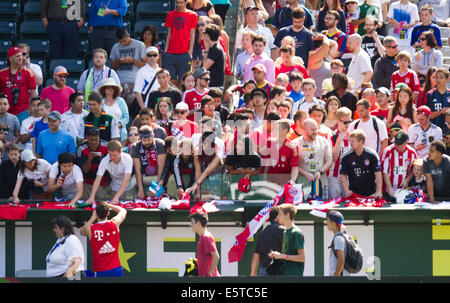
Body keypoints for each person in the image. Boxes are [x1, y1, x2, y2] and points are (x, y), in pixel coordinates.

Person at [80, 201, 127, 277]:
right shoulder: (114, 223)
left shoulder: (91, 229)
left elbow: (82, 232)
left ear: (96, 214)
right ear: (108, 213)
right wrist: (109, 205)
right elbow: (123, 210)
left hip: (100, 271)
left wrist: (92, 218)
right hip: (116, 269)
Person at [164, 0, 197, 87]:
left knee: (183, 81)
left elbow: (192, 34)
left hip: (184, 53)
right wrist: (166, 49)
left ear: (186, 2)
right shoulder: (170, 14)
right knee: (171, 80)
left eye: (181, 2)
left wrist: (190, 51)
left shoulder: (192, 15)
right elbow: (169, 33)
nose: (179, 4)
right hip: (171, 52)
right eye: (177, 2)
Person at [340, 129, 383, 198]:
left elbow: (378, 173)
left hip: (371, 193)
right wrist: (347, 190)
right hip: (353, 194)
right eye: (350, 141)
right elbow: (342, 174)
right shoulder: (346, 157)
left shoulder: (372, 155)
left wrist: (379, 191)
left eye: (353, 141)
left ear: (361, 141)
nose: (350, 143)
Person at [291, 118, 332, 189]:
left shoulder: (324, 141)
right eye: (312, 129)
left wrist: (320, 172)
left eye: (316, 129)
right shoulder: (295, 143)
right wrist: (305, 173)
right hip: (302, 182)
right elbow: (293, 164)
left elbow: (329, 160)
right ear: (304, 129)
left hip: (321, 181)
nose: (315, 132)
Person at [110, 28, 147, 105]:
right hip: (120, 81)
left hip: (134, 81)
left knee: (133, 108)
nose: (123, 43)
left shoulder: (139, 45)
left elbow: (146, 66)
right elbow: (112, 68)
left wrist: (133, 61)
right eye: (120, 42)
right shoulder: (115, 47)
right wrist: (119, 62)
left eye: (124, 41)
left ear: (129, 36)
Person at [0, 47, 37, 124]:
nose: (20, 58)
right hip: (6, 112)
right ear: (10, 58)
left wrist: (30, 109)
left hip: (23, 111)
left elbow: (33, 94)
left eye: (21, 56)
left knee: (22, 134)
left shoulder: (28, 73)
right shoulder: (1, 73)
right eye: (17, 56)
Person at [267, 204, 305, 276]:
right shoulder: (285, 232)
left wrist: (282, 256)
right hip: (284, 275)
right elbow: (287, 254)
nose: (278, 217)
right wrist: (277, 256)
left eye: (280, 214)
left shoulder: (296, 232)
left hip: (294, 276)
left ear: (287, 215)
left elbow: (302, 257)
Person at [131, 125, 167, 199]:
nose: (147, 142)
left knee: (170, 179)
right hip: (143, 176)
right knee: (133, 181)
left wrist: (157, 187)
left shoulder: (160, 144)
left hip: (158, 176)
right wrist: (140, 189)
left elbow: (161, 167)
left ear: (153, 136)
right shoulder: (135, 146)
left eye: (149, 140)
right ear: (140, 138)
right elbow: (137, 170)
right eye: (144, 140)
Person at [381, 131, 418, 196]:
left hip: (404, 190)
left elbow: (415, 169)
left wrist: (407, 180)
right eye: (395, 143)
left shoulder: (412, 153)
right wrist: (390, 188)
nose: (396, 145)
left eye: (399, 144)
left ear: (406, 143)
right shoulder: (387, 152)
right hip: (388, 190)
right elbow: (384, 171)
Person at [76, 127, 109, 200]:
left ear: (99, 137)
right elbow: (84, 170)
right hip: (86, 184)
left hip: (102, 183)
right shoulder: (81, 148)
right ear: (87, 137)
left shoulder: (107, 145)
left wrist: (108, 180)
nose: (94, 142)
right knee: (85, 206)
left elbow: (111, 164)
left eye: (96, 139)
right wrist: (89, 159)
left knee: (101, 206)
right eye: (91, 139)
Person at [250, 207, 284, 276]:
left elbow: (256, 255)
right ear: (277, 217)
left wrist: (253, 274)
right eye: (284, 214)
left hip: (263, 271)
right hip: (278, 272)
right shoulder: (283, 230)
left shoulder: (263, 233)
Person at [328, 107, 352, 198]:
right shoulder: (332, 136)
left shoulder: (351, 136)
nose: (348, 124)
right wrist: (339, 140)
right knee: (335, 202)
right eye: (345, 122)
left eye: (350, 121)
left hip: (348, 176)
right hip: (334, 175)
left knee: (348, 202)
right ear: (338, 121)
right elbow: (334, 157)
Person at [189, 212, 220, 277]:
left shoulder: (206, 237)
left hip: (209, 280)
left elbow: (216, 256)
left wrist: (209, 274)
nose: (190, 225)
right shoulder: (204, 237)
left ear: (199, 224)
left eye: (192, 222)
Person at [98, 78, 129, 142]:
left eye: (112, 87)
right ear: (104, 89)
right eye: (107, 87)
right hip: (105, 135)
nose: (110, 89)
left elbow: (126, 117)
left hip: (121, 135)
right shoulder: (100, 102)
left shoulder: (121, 101)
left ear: (115, 90)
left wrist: (119, 124)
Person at [326, 210, 348, 276]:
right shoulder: (340, 237)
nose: (326, 223)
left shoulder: (338, 239)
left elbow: (341, 261)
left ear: (333, 223)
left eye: (328, 221)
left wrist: (335, 278)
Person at [0, 94, 20, 160]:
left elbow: (18, 136)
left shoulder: (14, 118)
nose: (2, 106)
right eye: (0, 104)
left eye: (5, 104)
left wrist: (11, 143)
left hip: (10, 154)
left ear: (8, 106)